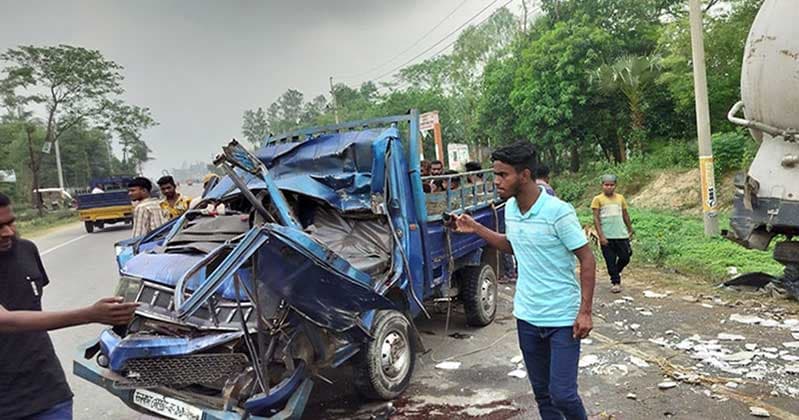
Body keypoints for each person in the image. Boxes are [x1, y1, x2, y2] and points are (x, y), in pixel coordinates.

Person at [452, 141, 595, 420]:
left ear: (525, 175)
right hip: (527, 317)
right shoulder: (511, 209)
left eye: (503, 175)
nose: (496, 182)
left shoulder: (558, 211)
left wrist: (585, 311)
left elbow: (587, 259)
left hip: (562, 318)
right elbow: (513, 244)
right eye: (495, 174)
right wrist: (477, 228)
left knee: (563, 394)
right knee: (543, 394)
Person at [0, 192, 138, 420]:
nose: (7, 232)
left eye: (10, 222)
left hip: (47, 390)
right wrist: (90, 314)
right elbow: (5, 320)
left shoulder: (26, 250)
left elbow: (31, 306)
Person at [591, 174, 634, 294]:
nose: (608, 187)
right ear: (602, 185)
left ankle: (616, 270)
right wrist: (601, 235)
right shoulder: (597, 199)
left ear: (615, 186)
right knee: (610, 260)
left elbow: (625, 214)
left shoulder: (620, 198)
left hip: (621, 234)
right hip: (607, 235)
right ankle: (616, 282)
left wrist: (630, 228)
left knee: (625, 257)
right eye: (606, 185)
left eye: (611, 185)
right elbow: (596, 218)